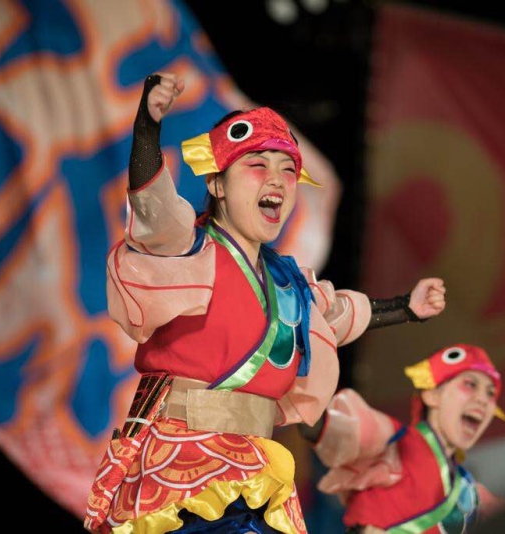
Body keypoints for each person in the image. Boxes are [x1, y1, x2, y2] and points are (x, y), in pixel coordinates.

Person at [83, 72, 447, 533]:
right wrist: (147, 129)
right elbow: (153, 206)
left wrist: (406, 307)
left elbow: (339, 316)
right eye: (258, 164)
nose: (278, 179)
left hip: (254, 469)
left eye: (288, 170)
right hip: (184, 466)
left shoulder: (289, 285)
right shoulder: (189, 251)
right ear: (217, 183)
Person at [306, 343, 505, 533]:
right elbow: (322, 425)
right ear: (431, 394)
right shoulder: (394, 441)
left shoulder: (468, 489)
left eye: (491, 393)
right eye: (470, 384)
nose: (483, 399)